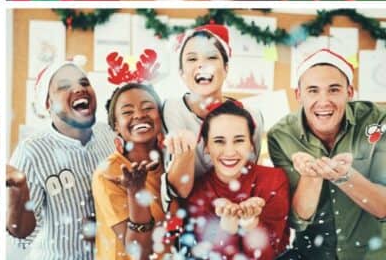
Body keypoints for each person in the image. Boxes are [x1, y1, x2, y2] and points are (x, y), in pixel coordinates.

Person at [268, 48, 386, 260]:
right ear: (298, 95)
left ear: (349, 93)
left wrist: (345, 177)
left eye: (334, 90)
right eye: (313, 90)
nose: (324, 101)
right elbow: (298, 220)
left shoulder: (376, 124)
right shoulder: (282, 135)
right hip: (312, 254)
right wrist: (310, 176)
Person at [7, 57, 114, 260]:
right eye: (64, 86)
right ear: (48, 103)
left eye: (84, 83)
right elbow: (19, 235)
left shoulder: (111, 136)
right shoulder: (31, 152)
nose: (80, 89)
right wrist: (17, 191)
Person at [162, 25, 264, 203]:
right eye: (192, 59)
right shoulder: (171, 109)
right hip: (188, 214)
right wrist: (186, 152)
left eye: (211, 57)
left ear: (226, 69)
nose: (202, 64)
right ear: (181, 73)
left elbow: (250, 175)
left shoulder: (251, 115)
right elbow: (180, 189)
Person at [92, 50, 175, 260]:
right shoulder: (108, 173)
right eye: (127, 112)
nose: (139, 115)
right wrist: (136, 191)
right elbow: (138, 251)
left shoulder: (173, 160)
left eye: (148, 107)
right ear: (116, 126)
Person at [184, 100, 290, 259]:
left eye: (239, 140)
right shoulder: (197, 191)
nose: (230, 151)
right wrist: (227, 227)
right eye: (219, 141)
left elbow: (271, 254)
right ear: (206, 146)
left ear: (251, 144)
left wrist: (251, 224)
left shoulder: (274, 180)